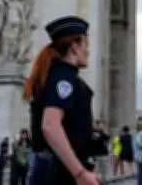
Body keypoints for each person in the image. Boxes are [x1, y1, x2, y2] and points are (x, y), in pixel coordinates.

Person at [24, 16, 100, 185]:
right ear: (75, 47)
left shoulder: (56, 75)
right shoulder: (63, 79)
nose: (88, 51)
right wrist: (79, 173)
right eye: (86, 45)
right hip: (59, 173)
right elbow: (50, 125)